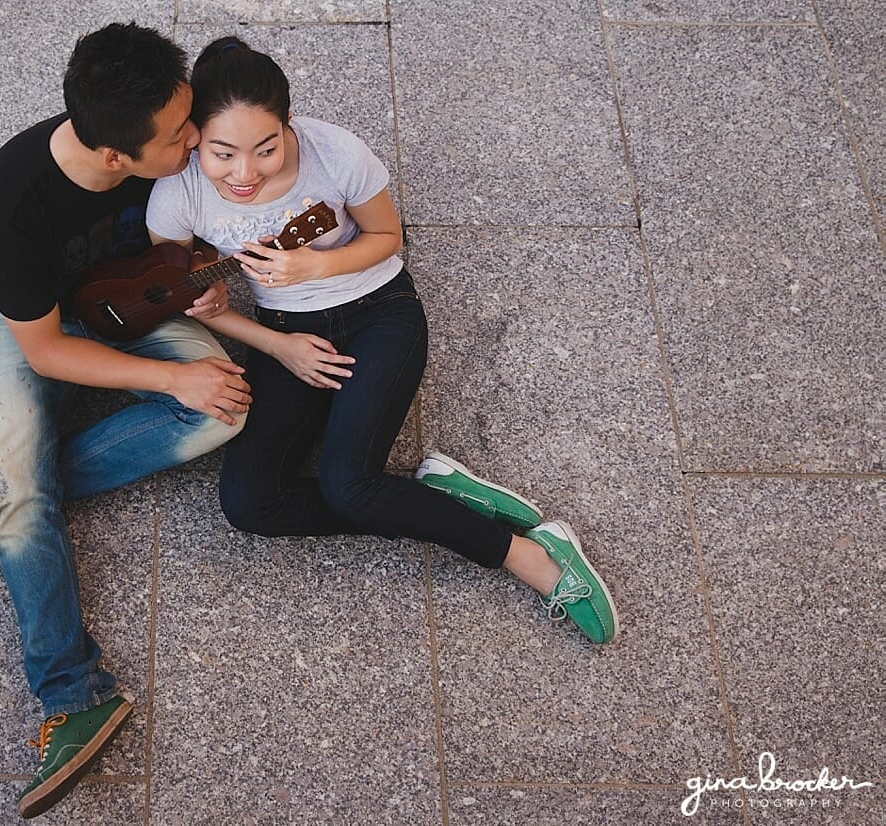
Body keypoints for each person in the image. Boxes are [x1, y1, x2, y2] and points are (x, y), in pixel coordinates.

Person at [146, 37, 618, 648]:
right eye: (222, 153)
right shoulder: (178, 194)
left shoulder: (336, 153)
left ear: (288, 123)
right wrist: (274, 344)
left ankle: (531, 558)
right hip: (284, 333)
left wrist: (314, 266)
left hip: (378, 313)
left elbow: (387, 236)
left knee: (349, 483)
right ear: (194, 138)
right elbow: (189, 301)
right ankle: (436, 501)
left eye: (265, 148)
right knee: (249, 504)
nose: (244, 173)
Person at [0, 23, 250, 819]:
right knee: (24, 492)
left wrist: (207, 283)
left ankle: (20, 495)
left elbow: (208, 223)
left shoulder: (170, 139)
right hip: (38, 327)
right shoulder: (11, 198)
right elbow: (47, 350)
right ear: (116, 157)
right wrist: (172, 377)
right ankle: (75, 696)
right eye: (179, 134)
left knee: (224, 409)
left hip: (138, 301)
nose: (196, 140)